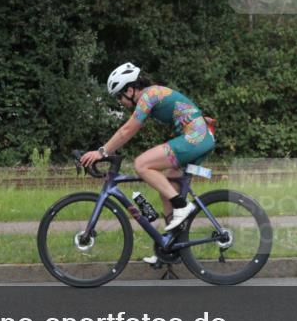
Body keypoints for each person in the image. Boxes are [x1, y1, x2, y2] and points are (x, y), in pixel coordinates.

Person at [80, 62, 215, 238]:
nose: (120, 102)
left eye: (119, 97)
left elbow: (127, 130)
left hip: (196, 137)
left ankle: (182, 206)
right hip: (199, 137)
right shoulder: (152, 95)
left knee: (141, 164)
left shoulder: (148, 96)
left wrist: (101, 152)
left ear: (129, 90)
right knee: (166, 188)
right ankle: (170, 245)